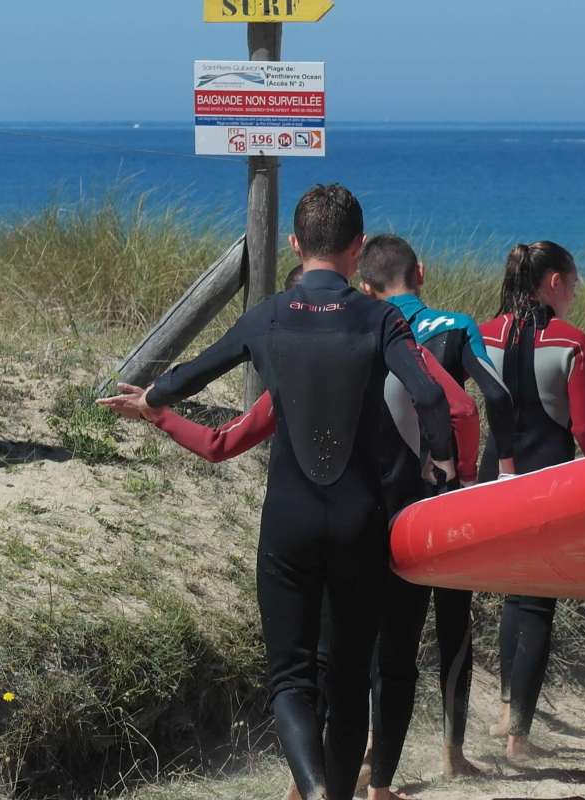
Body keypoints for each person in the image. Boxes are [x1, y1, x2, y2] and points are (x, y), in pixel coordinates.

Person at [119, 184, 456, 800]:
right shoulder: (379, 318)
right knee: (351, 675)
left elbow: (186, 376)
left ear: (297, 244)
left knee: (291, 678)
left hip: (290, 521)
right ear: (358, 248)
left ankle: (313, 790)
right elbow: (431, 397)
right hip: (360, 521)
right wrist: (439, 467)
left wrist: (152, 404)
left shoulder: (266, 316)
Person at [354, 234, 518, 779]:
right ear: (420, 272)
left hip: (382, 496)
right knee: (454, 622)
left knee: (381, 629)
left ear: (365, 285)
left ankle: (373, 746)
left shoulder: (364, 329)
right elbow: (495, 395)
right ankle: (452, 753)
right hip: (448, 498)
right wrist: (506, 467)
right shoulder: (453, 325)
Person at [478, 240, 585, 762]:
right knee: (535, 601)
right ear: (552, 281)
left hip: (494, 479)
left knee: (513, 592)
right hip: (546, 481)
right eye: (573, 282)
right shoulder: (570, 342)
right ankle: (519, 740)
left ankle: (506, 710)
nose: (575, 292)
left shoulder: (482, 332)